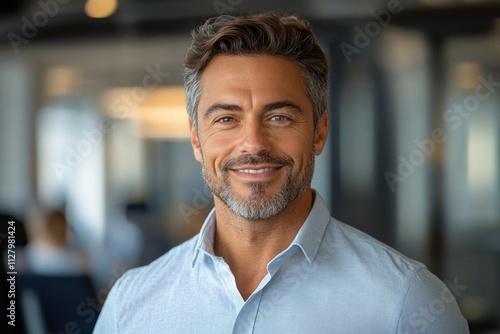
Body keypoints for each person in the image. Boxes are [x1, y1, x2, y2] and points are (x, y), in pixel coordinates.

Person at [94, 12, 469, 333]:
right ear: (196, 138)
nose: (253, 144)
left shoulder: (407, 302)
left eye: (279, 117)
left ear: (319, 131)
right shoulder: (131, 302)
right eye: (226, 119)